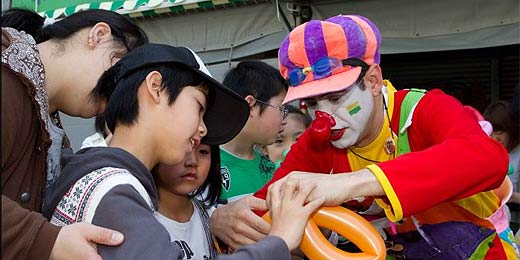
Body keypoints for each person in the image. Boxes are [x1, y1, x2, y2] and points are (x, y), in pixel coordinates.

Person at [212, 15, 517, 259]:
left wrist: (346, 184)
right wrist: (219, 219)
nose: (324, 117)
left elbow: (487, 159)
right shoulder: (319, 142)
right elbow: (267, 204)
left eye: (335, 98)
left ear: (372, 80)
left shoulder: (422, 110)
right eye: (313, 104)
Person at [42, 43, 324, 259]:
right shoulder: (112, 191)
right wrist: (280, 241)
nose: (202, 130)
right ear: (155, 88)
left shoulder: (103, 179)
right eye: (199, 107)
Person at [2, 8, 148, 260]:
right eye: (118, 75)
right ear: (99, 35)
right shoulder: (7, 82)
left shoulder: (49, 130)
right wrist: (46, 240)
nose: (116, 97)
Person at [218, 60, 288, 204]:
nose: (284, 119)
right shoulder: (206, 164)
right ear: (250, 105)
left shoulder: (268, 167)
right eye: (281, 108)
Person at [152, 143, 221, 259]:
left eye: (203, 152)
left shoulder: (213, 219)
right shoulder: (139, 218)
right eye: (181, 148)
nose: (192, 161)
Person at [484, 100, 520, 231]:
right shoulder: (489, 155)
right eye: (491, 133)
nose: (495, 138)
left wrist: (512, 196)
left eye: (499, 132)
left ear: (512, 129)